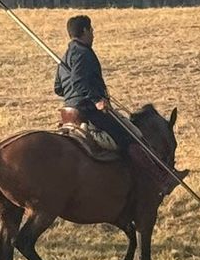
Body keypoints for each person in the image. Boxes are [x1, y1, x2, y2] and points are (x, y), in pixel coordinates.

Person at [55, 14, 138, 164]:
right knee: (126, 137)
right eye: (91, 30)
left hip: (68, 111)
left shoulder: (64, 57)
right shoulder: (83, 53)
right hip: (87, 110)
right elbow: (78, 82)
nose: (93, 34)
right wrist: (97, 100)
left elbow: (59, 88)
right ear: (85, 31)